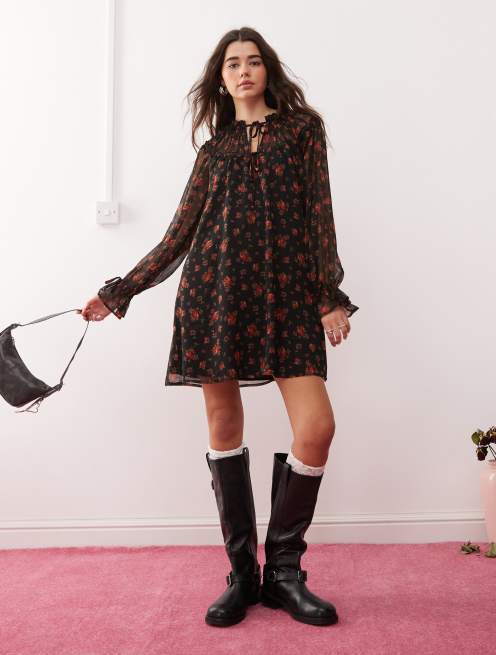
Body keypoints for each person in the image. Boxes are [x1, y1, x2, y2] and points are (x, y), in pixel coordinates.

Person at [79, 27, 359, 627]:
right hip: (217, 297)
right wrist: (118, 292)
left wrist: (327, 297)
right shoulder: (213, 152)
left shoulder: (302, 131)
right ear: (221, 78)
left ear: (268, 71)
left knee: (317, 427)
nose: (243, 71)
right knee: (224, 426)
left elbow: (320, 216)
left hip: (288, 298)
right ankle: (244, 575)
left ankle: (285, 573)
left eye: (253, 61)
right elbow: (178, 236)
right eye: (232, 64)